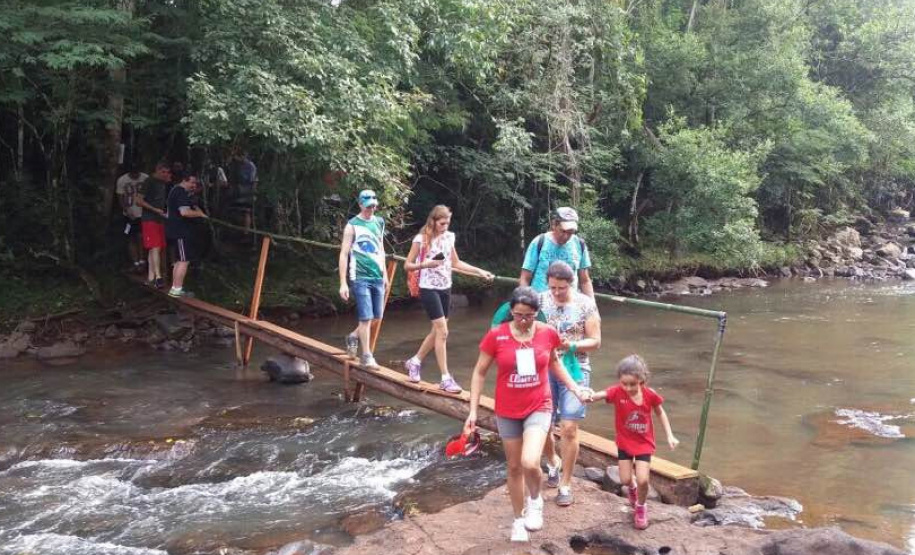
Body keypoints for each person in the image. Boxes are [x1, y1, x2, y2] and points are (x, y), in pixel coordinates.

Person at [463, 286, 591, 543]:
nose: (523, 321)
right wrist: (473, 411)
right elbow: (479, 372)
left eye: (529, 316)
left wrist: (575, 388)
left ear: (536, 313)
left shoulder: (547, 333)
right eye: (519, 315)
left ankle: (536, 502)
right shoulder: (496, 336)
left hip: (538, 404)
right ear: (511, 311)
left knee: (530, 462)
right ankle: (518, 518)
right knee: (513, 466)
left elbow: (555, 363)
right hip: (507, 409)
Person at [403, 205, 495, 393]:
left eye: (448, 223)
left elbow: (456, 262)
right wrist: (426, 264)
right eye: (442, 223)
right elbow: (407, 265)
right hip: (429, 288)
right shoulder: (421, 240)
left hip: (446, 288)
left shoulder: (449, 237)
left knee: (437, 332)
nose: (445, 226)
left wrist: (480, 271)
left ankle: (415, 361)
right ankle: (445, 378)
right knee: (443, 332)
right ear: (434, 221)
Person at [589, 355, 679, 530]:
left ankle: (641, 507)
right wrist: (589, 395)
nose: (628, 388)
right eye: (624, 383)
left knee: (644, 480)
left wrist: (670, 435)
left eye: (632, 384)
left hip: (644, 443)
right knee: (625, 479)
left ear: (641, 381)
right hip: (624, 442)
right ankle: (632, 487)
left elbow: (660, 413)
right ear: (619, 381)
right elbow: (602, 394)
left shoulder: (650, 395)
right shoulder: (617, 392)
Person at [538, 261, 601, 507]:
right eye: (552, 287)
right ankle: (552, 462)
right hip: (544, 368)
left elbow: (595, 341)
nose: (556, 293)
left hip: (576, 369)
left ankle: (565, 483)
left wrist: (570, 345)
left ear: (570, 284)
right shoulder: (540, 301)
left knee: (569, 428)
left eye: (561, 288)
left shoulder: (586, 304)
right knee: (543, 424)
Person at [338, 189, 388, 369]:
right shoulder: (352, 225)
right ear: (360, 205)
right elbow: (344, 254)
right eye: (367, 207)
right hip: (359, 276)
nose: (371, 210)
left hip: (377, 276)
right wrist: (343, 283)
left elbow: (381, 248)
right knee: (366, 318)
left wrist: (385, 275)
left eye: (373, 206)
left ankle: (353, 336)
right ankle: (367, 355)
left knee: (377, 316)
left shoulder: (379, 222)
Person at [519, 207, 594, 297]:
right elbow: (525, 277)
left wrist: (592, 307)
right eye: (563, 231)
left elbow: (585, 280)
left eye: (570, 232)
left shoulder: (579, 244)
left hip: (569, 304)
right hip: (540, 302)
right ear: (554, 225)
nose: (566, 236)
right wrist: (525, 302)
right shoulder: (540, 242)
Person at [165, 174, 208, 298]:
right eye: (192, 182)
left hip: (176, 230)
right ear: (184, 180)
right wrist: (200, 214)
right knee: (184, 261)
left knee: (180, 260)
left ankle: (175, 288)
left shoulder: (175, 191)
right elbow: (184, 212)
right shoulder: (180, 192)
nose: (194, 186)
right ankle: (176, 290)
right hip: (181, 231)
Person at [135, 163, 171, 288]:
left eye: (168, 172)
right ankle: (159, 277)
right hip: (149, 218)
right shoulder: (149, 181)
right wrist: (154, 210)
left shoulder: (163, 183)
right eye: (164, 172)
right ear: (157, 171)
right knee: (155, 246)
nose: (166, 174)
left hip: (160, 219)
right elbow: (138, 201)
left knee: (156, 247)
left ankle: (151, 276)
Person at [116, 167, 149, 272]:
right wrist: (126, 210)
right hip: (129, 215)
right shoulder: (122, 180)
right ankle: (135, 262)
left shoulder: (145, 178)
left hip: (143, 214)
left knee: (141, 237)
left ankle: (142, 261)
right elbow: (120, 198)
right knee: (130, 238)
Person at [230, 151, 257, 230]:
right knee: (236, 210)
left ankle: (246, 231)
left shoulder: (251, 166)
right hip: (238, 190)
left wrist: (253, 193)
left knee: (246, 211)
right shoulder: (237, 165)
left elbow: (254, 180)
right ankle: (237, 229)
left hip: (247, 191)